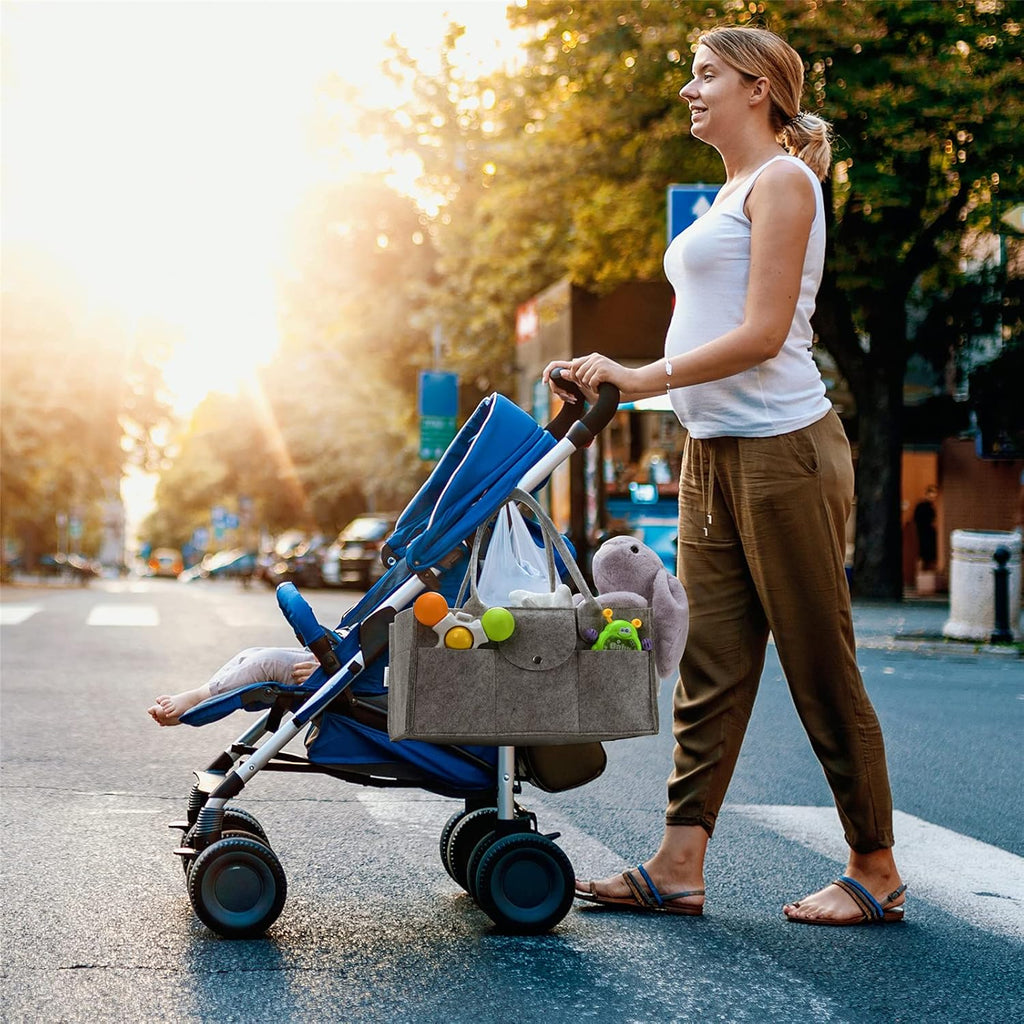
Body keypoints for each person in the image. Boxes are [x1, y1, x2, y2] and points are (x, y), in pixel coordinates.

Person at [544, 24, 905, 926]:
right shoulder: (729, 193)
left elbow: (762, 333)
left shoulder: (786, 182)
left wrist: (641, 379)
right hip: (713, 453)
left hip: (785, 448)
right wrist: (617, 379)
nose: (689, 91)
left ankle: (877, 865)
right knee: (711, 663)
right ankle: (678, 863)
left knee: (820, 662)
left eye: (705, 75)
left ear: (757, 88)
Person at [148, 647, 317, 726]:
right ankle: (205, 699)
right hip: (336, 662)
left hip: (334, 677)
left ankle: (197, 700)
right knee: (250, 655)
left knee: (267, 662)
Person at [913, 485, 939, 571]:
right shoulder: (923, 506)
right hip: (924, 533)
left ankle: (923, 575)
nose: (932, 498)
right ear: (927, 494)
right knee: (924, 555)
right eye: (931, 496)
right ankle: (921, 575)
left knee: (927, 555)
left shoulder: (928, 506)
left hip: (926, 534)